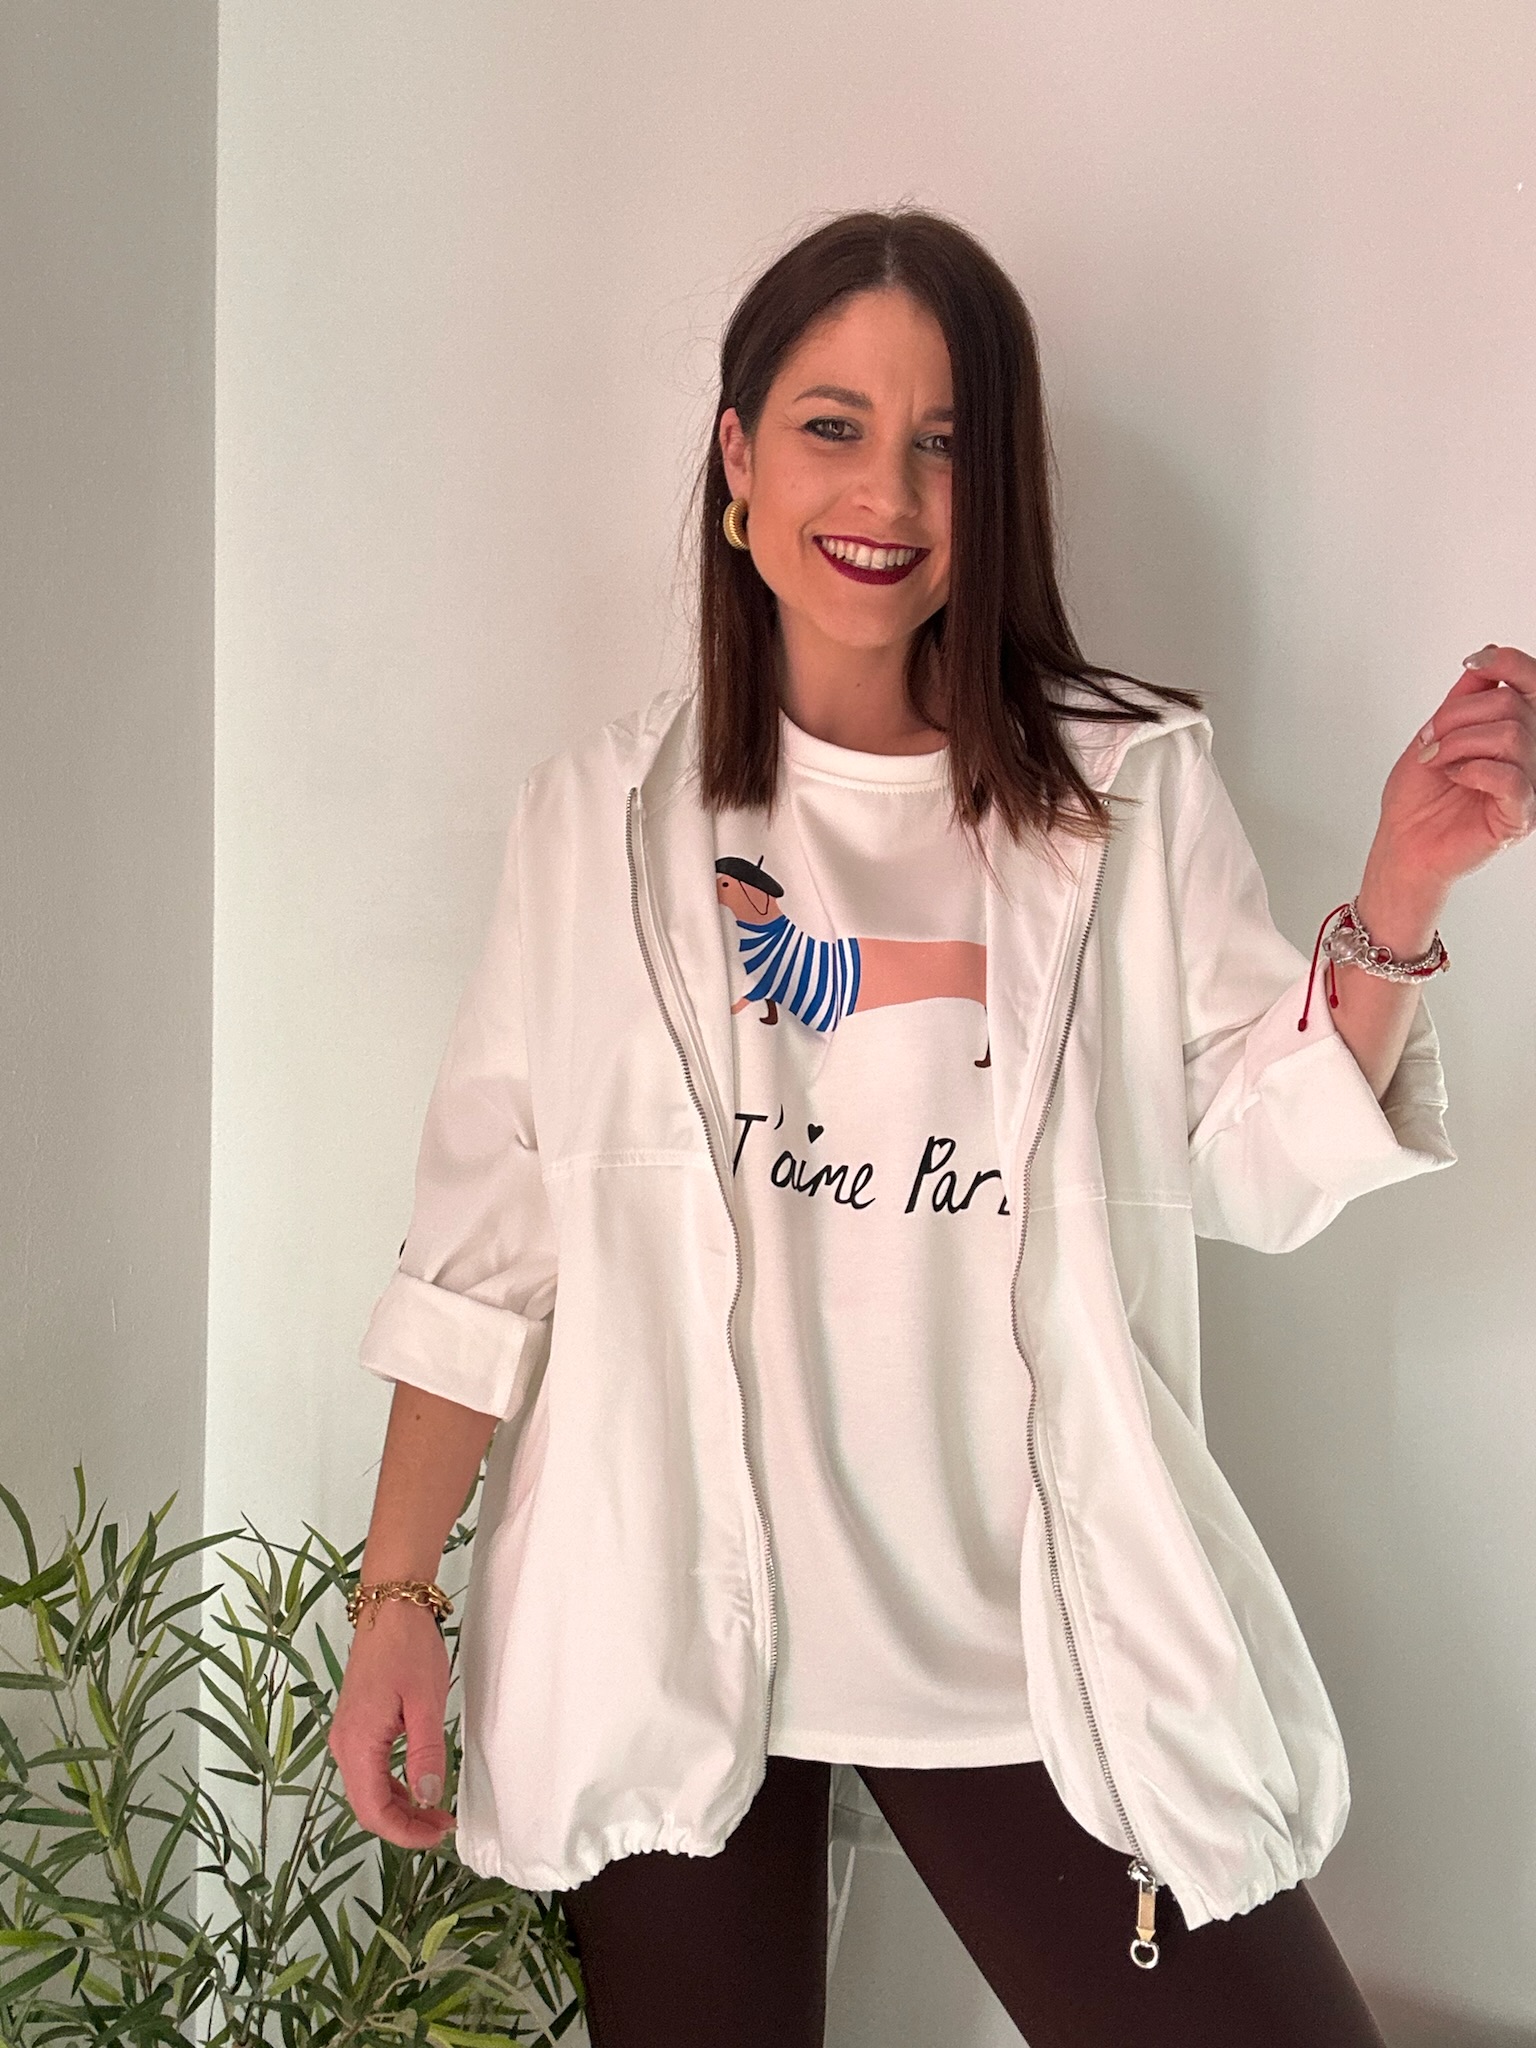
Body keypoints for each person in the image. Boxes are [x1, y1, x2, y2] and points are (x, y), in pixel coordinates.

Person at [327, 208, 1535, 2047]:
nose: (887, 490)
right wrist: (396, 1596)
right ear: (737, 456)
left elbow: (1254, 1157)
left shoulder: (1121, 793)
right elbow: (487, 1246)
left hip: (1027, 1631)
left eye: (946, 440)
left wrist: (1400, 889)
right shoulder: (598, 821)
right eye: (834, 424)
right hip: (666, 1618)